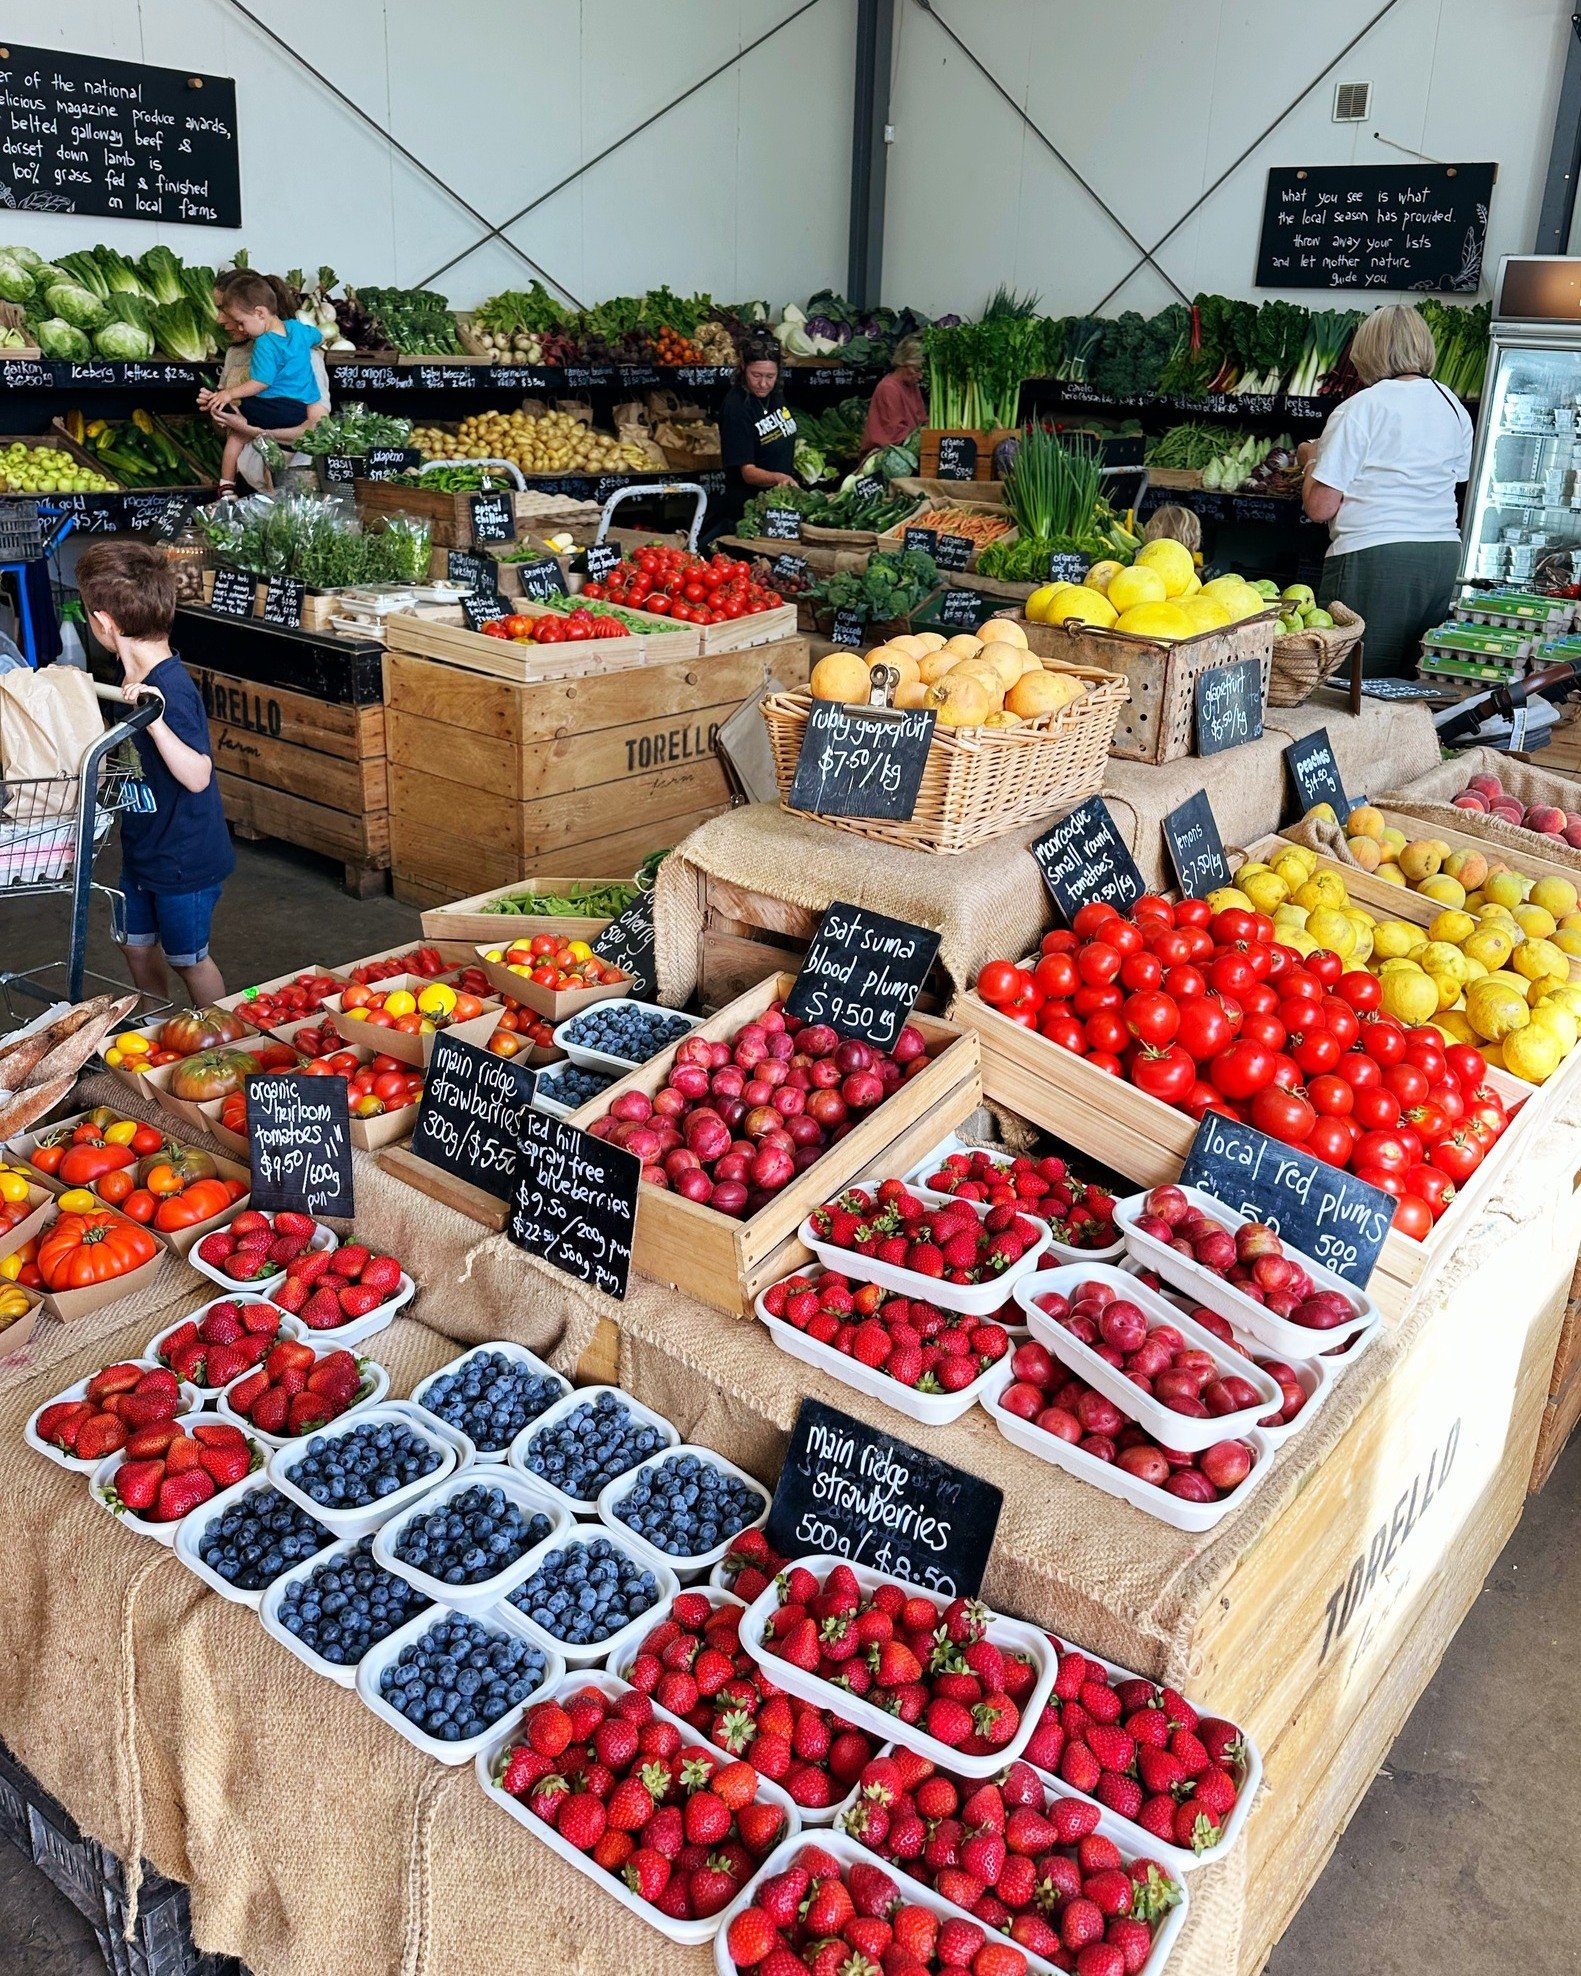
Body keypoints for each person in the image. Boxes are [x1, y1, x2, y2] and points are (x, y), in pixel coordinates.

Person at [75, 539, 233, 1005]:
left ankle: (223, 1040)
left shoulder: (171, 689)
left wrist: (156, 719)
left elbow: (198, 775)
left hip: (186, 860)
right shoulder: (128, 682)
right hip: (145, 849)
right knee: (135, 945)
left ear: (104, 623)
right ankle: (156, 1025)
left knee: (189, 958)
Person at [1298, 303, 1473, 677]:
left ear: (1367, 352)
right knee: (1407, 684)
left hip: (1374, 557)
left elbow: (1320, 506)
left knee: (1349, 683)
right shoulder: (1453, 406)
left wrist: (1312, 457)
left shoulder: (1360, 408)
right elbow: (1454, 480)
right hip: (1440, 556)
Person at [198, 270, 325, 497]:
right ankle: (227, 487)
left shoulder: (304, 357)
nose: (219, 319)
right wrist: (217, 407)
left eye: (223, 309)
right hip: (248, 482)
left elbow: (316, 429)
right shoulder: (235, 355)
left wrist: (255, 431)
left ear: (256, 312)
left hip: (291, 486)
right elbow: (227, 428)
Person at [712, 338, 798, 541]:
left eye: (770, 376)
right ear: (743, 368)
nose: (763, 383)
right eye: (756, 375)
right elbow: (748, 473)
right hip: (749, 509)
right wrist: (780, 478)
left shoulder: (775, 394)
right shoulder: (736, 407)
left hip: (778, 502)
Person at [859, 335, 926, 454]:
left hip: (906, 449)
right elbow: (896, 433)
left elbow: (921, 419)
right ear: (902, 363)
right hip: (884, 453)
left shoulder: (912, 385)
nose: (920, 376)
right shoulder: (888, 388)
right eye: (916, 369)